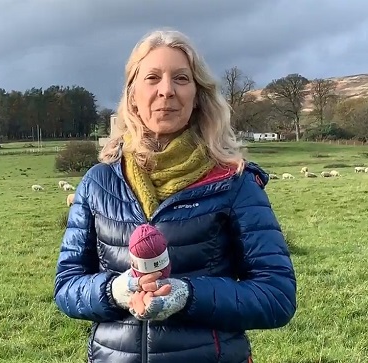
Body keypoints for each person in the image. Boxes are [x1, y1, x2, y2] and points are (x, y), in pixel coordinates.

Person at [53, 28, 297, 363]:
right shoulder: (98, 182)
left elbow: (277, 297)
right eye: (152, 77)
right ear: (133, 94)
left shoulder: (234, 183)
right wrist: (115, 291)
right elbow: (67, 287)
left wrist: (188, 295)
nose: (166, 90)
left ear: (198, 95)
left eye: (181, 78)